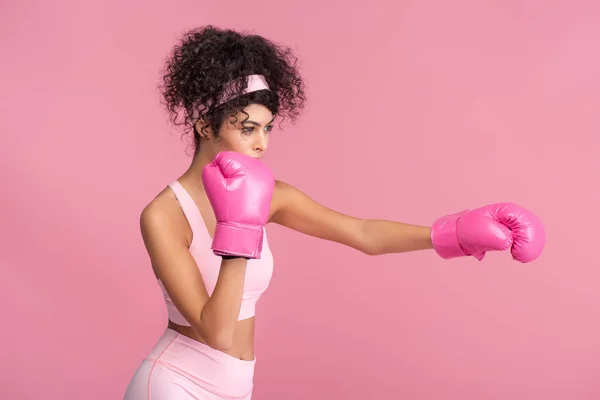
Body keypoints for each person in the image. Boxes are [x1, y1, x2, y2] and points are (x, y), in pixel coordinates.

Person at [123, 25, 545, 400]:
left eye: (267, 128)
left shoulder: (271, 195)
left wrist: (454, 233)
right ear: (204, 125)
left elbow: (361, 233)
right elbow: (216, 332)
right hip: (173, 383)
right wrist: (238, 229)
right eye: (246, 128)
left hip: (237, 385)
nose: (261, 144)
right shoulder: (163, 216)